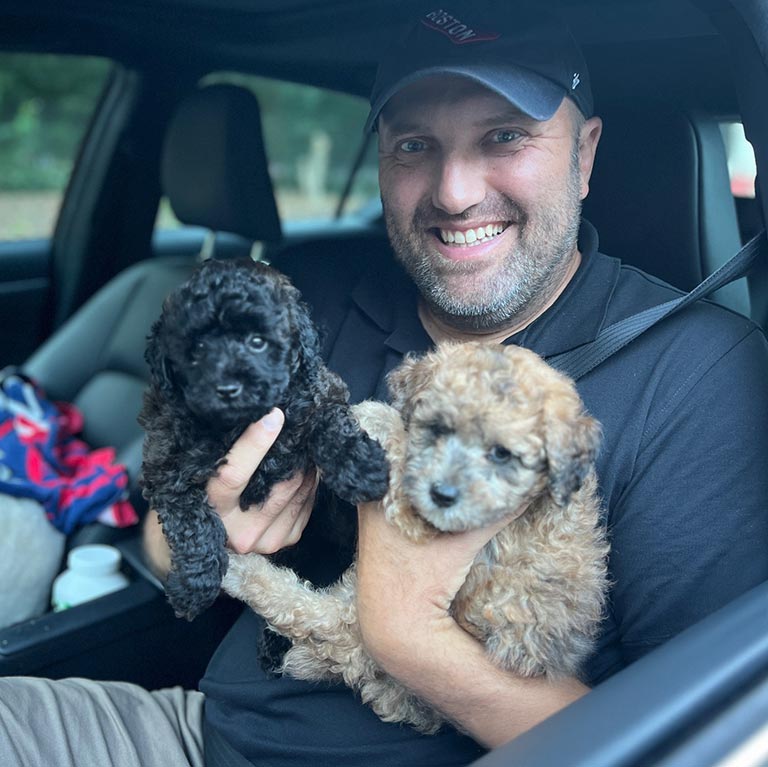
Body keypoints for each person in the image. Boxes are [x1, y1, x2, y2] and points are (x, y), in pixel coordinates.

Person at [2, 3, 768, 767]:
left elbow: (694, 743)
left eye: (504, 136)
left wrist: (410, 635)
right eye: (414, 144)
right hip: (195, 735)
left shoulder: (695, 372)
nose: (455, 191)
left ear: (586, 153)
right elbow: (168, 541)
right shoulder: (308, 298)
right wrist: (188, 532)